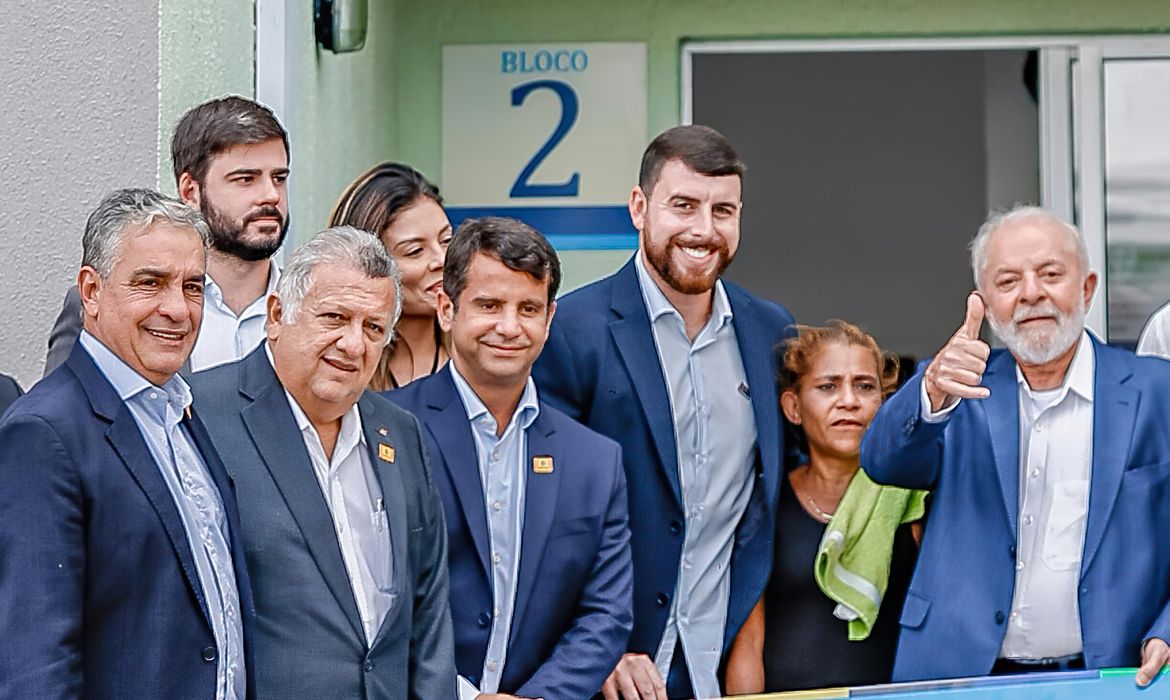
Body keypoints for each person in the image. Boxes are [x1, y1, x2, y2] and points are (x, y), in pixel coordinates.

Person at [533, 124, 797, 700]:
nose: (704, 230)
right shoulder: (572, 330)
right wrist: (593, 645)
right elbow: (548, 514)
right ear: (639, 207)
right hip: (618, 672)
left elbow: (775, 494)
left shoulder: (770, 331)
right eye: (684, 206)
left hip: (728, 663)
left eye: (723, 210)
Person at [861, 205, 1170, 685]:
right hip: (960, 672)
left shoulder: (1157, 391)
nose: (1031, 294)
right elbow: (883, 461)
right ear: (984, 301)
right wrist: (931, 392)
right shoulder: (955, 387)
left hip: (1114, 675)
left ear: (1087, 288)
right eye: (1007, 282)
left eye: (1051, 274)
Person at [0, 189, 253, 698]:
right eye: (150, 283)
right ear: (91, 291)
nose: (177, 309)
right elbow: (35, 669)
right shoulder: (44, 433)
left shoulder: (178, 412)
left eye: (192, 287)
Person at [189, 227, 455, 699]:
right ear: (277, 315)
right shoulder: (200, 416)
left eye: (373, 328)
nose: (354, 345)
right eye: (334, 317)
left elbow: (428, 608)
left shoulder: (401, 432)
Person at [388, 217, 634, 699]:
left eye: (528, 308)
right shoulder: (388, 429)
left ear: (549, 320)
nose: (509, 327)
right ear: (446, 308)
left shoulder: (595, 462)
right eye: (489, 305)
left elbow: (606, 614)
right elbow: (376, 595)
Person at [724, 322, 922, 693]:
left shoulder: (909, 500)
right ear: (793, 407)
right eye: (828, 386)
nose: (849, 400)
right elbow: (749, 644)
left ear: (884, 402)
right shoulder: (765, 503)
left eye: (864, 386)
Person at [45, 95, 290, 375]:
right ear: (190, 191)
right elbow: (60, 411)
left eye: (279, 179)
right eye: (246, 179)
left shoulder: (313, 312)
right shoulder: (107, 303)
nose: (271, 195)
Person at [329, 162, 452, 390]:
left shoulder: (478, 361)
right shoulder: (336, 369)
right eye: (415, 251)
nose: (442, 260)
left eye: (447, 241)